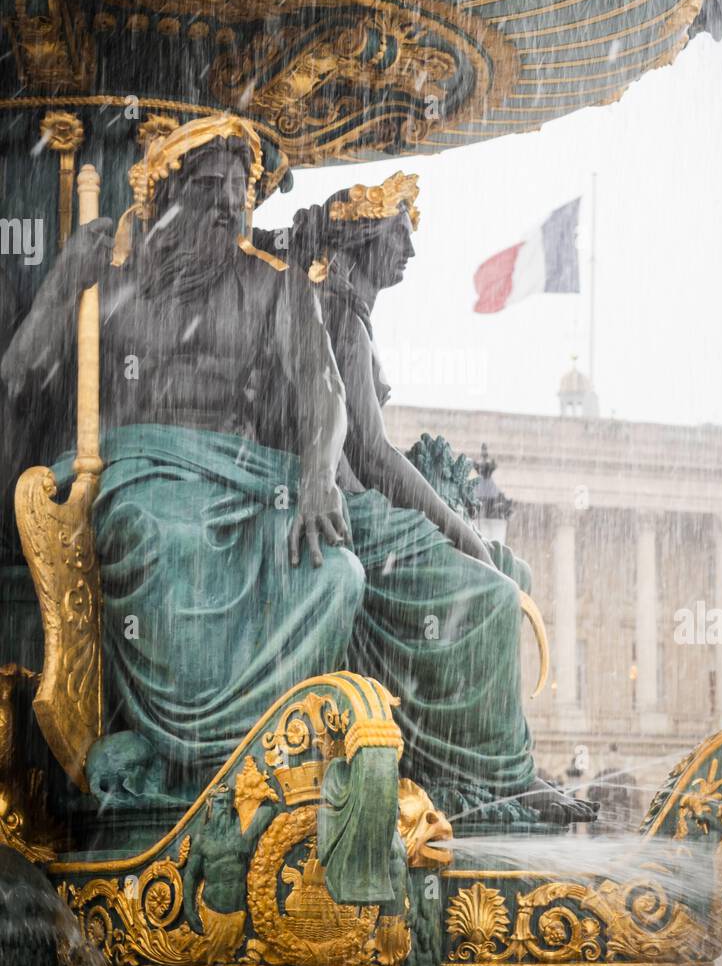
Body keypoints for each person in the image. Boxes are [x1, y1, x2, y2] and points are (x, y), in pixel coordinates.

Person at [1, 115, 359, 794]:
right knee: (170, 542)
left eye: (239, 199)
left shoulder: (273, 286)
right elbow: (20, 375)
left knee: (336, 575)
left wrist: (318, 479)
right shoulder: (111, 283)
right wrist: (61, 283)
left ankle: (262, 757)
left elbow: (325, 387)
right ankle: (185, 757)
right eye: (209, 192)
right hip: (140, 472)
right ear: (163, 203)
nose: (228, 209)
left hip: (249, 481)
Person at [257, 174, 594, 825]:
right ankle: (498, 776)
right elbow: (374, 456)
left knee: (510, 570)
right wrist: (457, 529)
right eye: (402, 235)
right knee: (494, 594)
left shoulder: (344, 311)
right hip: (345, 509)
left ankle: (483, 758)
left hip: (355, 500)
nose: (411, 252)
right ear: (366, 237)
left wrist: (463, 529)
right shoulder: (337, 314)